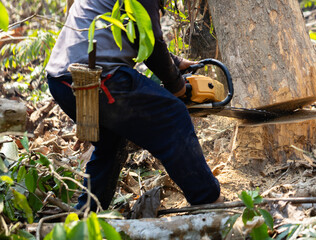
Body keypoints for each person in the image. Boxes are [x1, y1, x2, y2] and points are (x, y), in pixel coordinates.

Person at [45, 0, 221, 211]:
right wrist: (178, 86)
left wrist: (173, 62)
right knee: (173, 116)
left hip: (61, 81)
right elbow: (152, 43)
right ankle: (208, 200)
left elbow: (139, 35)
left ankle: (88, 213)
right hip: (98, 77)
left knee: (111, 143)